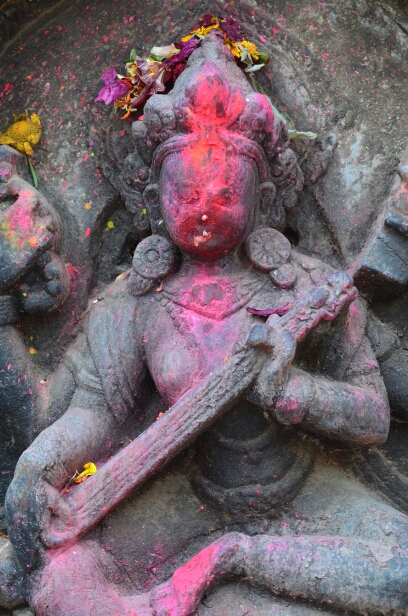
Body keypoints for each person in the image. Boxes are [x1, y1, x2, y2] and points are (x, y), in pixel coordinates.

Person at [3, 32, 408, 616]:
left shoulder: (307, 287)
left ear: (262, 196)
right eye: (187, 193)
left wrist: (295, 394)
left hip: (306, 492)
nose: (204, 208)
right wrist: (41, 463)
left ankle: (236, 559)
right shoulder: (136, 301)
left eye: (224, 193)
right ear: (154, 198)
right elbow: (97, 413)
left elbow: (372, 416)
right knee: (59, 578)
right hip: (184, 500)